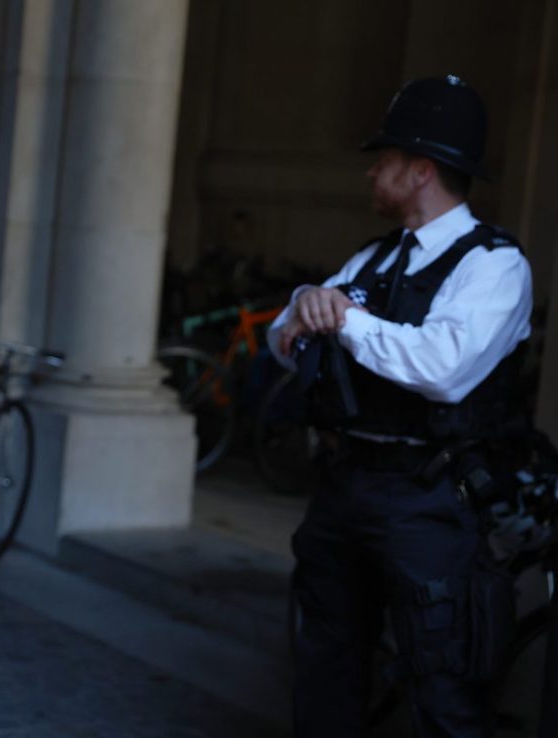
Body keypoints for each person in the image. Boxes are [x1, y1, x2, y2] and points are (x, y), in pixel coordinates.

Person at [267, 75, 533, 737]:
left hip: (428, 498)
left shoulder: (494, 266)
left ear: (420, 171)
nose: (370, 174)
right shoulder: (372, 257)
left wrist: (343, 320)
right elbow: (283, 342)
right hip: (346, 483)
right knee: (324, 667)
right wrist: (305, 302)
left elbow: (442, 370)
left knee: (443, 682)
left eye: (382, 161)